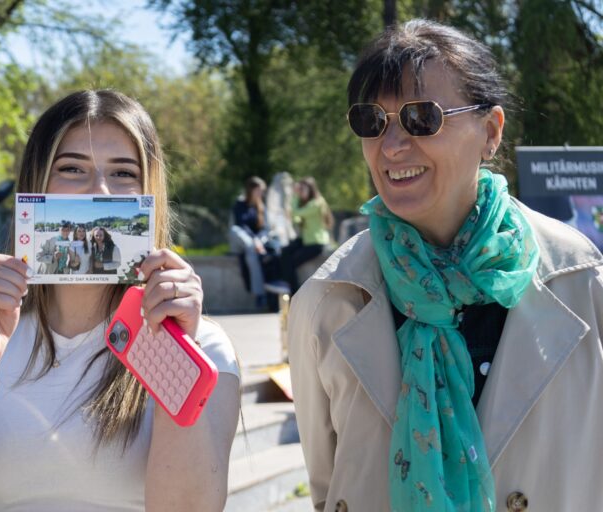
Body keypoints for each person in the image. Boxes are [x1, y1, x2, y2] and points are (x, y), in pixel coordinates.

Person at [289, 19, 603, 512]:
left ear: (491, 132)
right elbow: (328, 486)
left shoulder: (584, 281)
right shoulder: (328, 300)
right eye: (372, 121)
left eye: (421, 118)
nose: (391, 147)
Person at [0, 90, 241, 511]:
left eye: (123, 174)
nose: (98, 189)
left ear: (149, 193)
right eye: (72, 168)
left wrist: (171, 354)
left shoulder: (204, 346)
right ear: (35, 184)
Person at [229, 176, 288, 309]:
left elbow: (265, 229)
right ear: (251, 190)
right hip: (242, 239)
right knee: (238, 233)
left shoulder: (261, 207)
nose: (262, 193)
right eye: (259, 190)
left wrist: (259, 240)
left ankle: (260, 295)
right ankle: (260, 295)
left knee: (252, 251)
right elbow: (241, 225)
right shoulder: (240, 204)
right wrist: (255, 240)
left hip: (255, 244)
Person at [281, 176, 333, 293]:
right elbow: (296, 218)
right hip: (306, 241)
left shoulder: (317, 203)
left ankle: (293, 292)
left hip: (316, 243)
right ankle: (285, 284)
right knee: (285, 252)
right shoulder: (306, 204)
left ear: (311, 189)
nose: (301, 192)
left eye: (303, 189)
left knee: (291, 262)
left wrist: (294, 196)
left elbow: (296, 213)